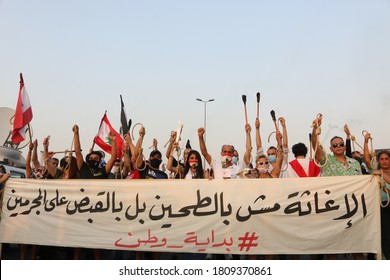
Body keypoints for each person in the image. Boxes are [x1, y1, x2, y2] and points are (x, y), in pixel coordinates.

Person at [311, 115, 362, 259]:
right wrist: (316, 128)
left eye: (341, 144)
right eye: (335, 145)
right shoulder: (326, 160)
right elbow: (315, 145)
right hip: (333, 207)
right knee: (332, 245)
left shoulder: (355, 163)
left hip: (354, 207)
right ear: (330, 148)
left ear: (345, 146)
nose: (338, 146)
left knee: (357, 244)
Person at [363, 132, 390, 260]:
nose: (384, 161)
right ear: (378, 161)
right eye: (382, 159)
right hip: (380, 206)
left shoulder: (379, 173)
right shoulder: (375, 170)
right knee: (384, 234)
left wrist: (382, 175)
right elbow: (367, 160)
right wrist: (366, 142)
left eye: (386, 158)